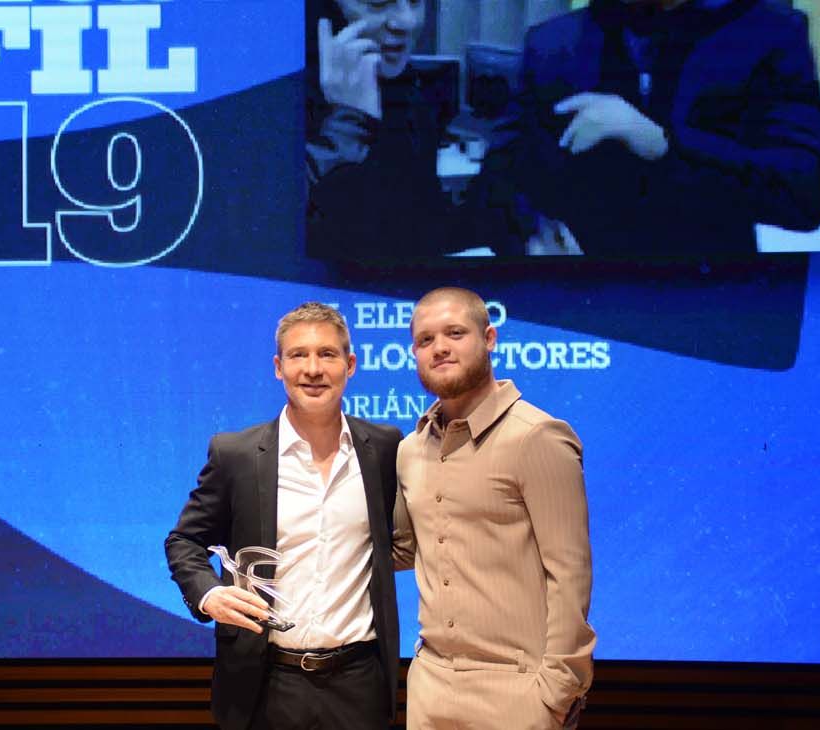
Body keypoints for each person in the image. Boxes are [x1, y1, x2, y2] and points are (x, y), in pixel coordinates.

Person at [165, 302, 403, 730]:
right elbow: (184, 541)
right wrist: (207, 593)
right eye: (298, 355)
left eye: (327, 355)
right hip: (266, 681)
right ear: (279, 367)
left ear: (350, 365)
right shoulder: (235, 454)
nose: (313, 369)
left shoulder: (385, 449)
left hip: (359, 682)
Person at [394, 288, 595, 730]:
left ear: (489, 338)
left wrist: (557, 691)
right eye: (425, 340)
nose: (439, 347)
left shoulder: (537, 437)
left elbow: (570, 572)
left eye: (454, 333)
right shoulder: (410, 450)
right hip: (429, 686)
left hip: (518, 693)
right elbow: (402, 550)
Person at [508, 0, 820, 257]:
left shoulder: (767, 33)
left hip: (705, 297)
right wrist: (531, 233)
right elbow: (502, 179)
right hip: (578, 297)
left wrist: (662, 146)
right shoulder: (553, 43)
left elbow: (807, 192)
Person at [305, 0, 532, 261]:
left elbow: (421, 229)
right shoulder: (273, 95)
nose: (408, 21)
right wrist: (349, 123)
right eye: (378, 2)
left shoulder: (410, 94)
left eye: (416, 1)